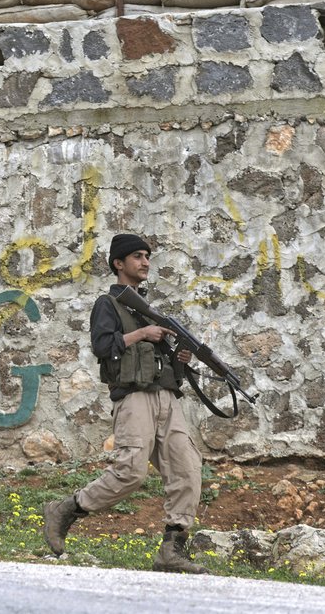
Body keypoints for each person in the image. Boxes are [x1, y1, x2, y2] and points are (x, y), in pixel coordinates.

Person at [43, 233, 208, 574]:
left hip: (166, 397)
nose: (145, 262)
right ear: (119, 264)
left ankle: (172, 550)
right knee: (130, 471)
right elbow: (103, 347)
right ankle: (66, 509)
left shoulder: (150, 310)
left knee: (187, 469)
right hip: (133, 398)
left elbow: (165, 364)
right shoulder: (109, 304)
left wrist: (181, 358)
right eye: (137, 256)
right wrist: (142, 334)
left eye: (147, 256)